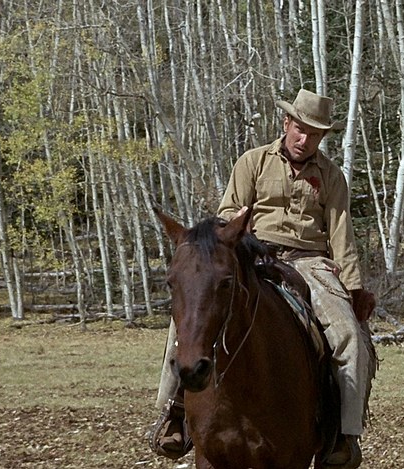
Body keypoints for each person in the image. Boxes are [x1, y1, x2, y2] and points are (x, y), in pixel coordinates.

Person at [150, 89, 373, 469]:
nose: (305, 139)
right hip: (252, 252)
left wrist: (353, 287)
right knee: (189, 319)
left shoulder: (332, 176)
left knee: (348, 335)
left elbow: (341, 234)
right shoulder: (253, 162)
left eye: (314, 134)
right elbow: (226, 215)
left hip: (311, 262)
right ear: (287, 123)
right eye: (300, 129)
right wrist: (240, 239)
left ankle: (343, 433)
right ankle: (173, 414)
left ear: (323, 137)